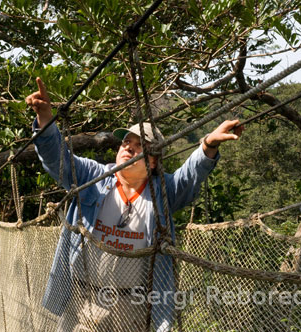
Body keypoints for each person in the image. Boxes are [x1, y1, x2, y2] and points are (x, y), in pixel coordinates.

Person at [26, 78, 243, 332]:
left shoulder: (162, 193)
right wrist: (45, 121)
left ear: (152, 161)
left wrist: (208, 145)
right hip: (82, 300)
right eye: (125, 142)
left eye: (140, 145)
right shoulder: (92, 178)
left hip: (132, 307)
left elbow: (189, 177)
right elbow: (58, 160)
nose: (128, 147)